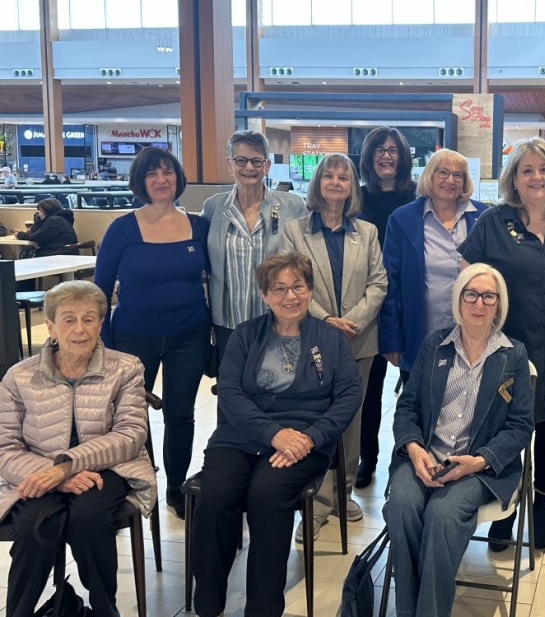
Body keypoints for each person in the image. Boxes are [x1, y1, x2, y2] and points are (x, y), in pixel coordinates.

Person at [192, 253, 363, 617]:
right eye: (279, 289)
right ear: (264, 295)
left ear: (309, 290)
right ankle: (208, 600)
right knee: (218, 492)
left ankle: (263, 607)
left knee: (267, 494)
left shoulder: (329, 339)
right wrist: (273, 433)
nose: (291, 296)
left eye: (298, 287)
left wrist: (312, 437)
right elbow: (232, 393)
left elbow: (349, 394)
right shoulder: (245, 334)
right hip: (241, 435)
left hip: (304, 441)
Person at [382, 263, 534, 617]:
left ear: (499, 304)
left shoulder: (513, 355)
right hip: (424, 457)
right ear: (459, 299)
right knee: (402, 507)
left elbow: (521, 426)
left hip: (478, 467)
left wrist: (479, 460)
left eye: (488, 296)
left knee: (443, 513)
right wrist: (415, 449)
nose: (478, 303)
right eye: (471, 294)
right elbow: (407, 407)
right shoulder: (435, 345)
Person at [0, 280, 157, 617]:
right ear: (51, 326)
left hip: (110, 468)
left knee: (88, 517)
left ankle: (104, 608)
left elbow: (131, 436)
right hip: (38, 470)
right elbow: (5, 446)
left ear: (101, 324)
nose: (80, 329)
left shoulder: (126, 367)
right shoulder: (19, 376)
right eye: (68, 319)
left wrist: (66, 466)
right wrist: (55, 476)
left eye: (89, 319)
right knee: (33, 525)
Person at [458, 137, 545, 550]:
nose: (536, 177)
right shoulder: (493, 221)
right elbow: (469, 280)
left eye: (544, 169)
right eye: (527, 170)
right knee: (508, 429)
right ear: (514, 179)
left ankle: (543, 503)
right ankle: (503, 503)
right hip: (508, 349)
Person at [94, 147, 210, 519]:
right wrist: (107, 346)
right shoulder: (122, 229)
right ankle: (140, 482)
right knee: (132, 418)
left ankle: (175, 487)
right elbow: (99, 290)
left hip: (189, 334)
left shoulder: (198, 226)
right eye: (152, 174)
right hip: (132, 337)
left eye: (167, 172)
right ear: (140, 182)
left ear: (177, 176)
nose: (162, 180)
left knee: (180, 414)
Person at [280, 152, 387, 539]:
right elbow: (290, 282)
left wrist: (352, 322)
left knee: (351, 419)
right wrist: (326, 320)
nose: (336, 181)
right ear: (317, 182)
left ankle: (343, 493)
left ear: (352, 186)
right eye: (329, 175)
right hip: (310, 336)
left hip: (359, 341)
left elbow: (379, 283)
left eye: (344, 176)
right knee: (313, 417)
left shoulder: (368, 232)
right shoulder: (295, 231)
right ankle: (314, 501)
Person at [379, 149, 488, 381]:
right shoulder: (402, 219)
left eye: (458, 175)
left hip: (474, 334)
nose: (450, 180)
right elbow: (389, 283)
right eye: (443, 173)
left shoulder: (483, 216)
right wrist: (391, 338)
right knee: (421, 408)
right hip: (420, 334)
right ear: (430, 175)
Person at [201, 129, 307, 362]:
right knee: (231, 388)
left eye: (256, 161)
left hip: (277, 318)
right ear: (230, 164)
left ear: (267, 166)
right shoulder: (213, 207)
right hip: (227, 321)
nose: (249, 168)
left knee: (277, 386)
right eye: (241, 160)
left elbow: (306, 263)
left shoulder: (293, 207)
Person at [356, 127, 418, 489]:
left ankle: (411, 459)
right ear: (369, 157)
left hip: (406, 303)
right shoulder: (357, 199)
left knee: (414, 387)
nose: (386, 155)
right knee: (368, 388)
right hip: (365, 303)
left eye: (393, 150)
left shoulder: (416, 198)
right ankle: (367, 457)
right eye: (379, 149)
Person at [9, 197, 78, 257]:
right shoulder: (59, 219)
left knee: (26, 256)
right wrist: (39, 220)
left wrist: (20, 235)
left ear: (47, 211)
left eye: (41, 211)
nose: (39, 214)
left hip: (58, 254)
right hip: (63, 252)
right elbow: (33, 233)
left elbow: (36, 237)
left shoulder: (53, 221)